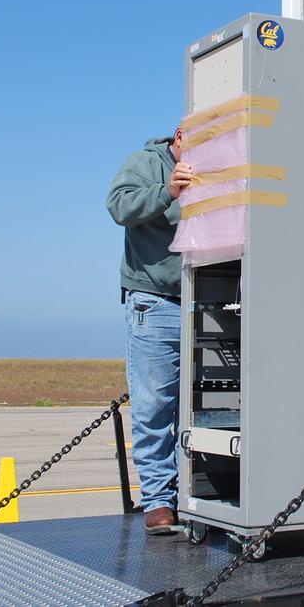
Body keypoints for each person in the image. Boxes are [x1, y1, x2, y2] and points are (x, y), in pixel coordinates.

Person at [106, 128, 194, 534]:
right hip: (156, 302)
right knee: (155, 406)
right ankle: (159, 500)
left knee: (201, 405)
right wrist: (167, 192)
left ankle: (197, 495)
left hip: (207, 298)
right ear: (180, 137)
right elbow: (119, 206)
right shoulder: (146, 163)